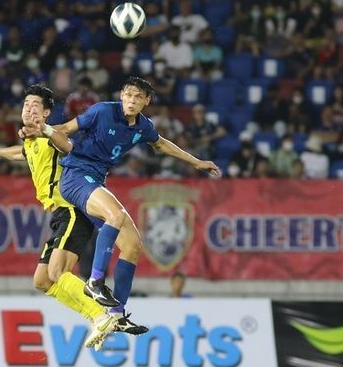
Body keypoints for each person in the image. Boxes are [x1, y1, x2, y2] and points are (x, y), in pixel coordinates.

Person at [22, 76, 220, 321]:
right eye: (128, 95)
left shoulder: (142, 126)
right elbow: (65, 130)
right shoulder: (102, 111)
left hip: (96, 180)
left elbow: (160, 144)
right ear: (121, 96)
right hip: (76, 176)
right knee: (114, 216)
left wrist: (196, 161)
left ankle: (117, 313)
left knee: (133, 245)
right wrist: (42, 130)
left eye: (138, 97)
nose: (131, 100)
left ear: (146, 101)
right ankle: (95, 281)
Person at [0, 85, 146, 350]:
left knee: (56, 271)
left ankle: (100, 315)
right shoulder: (32, 141)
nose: (28, 109)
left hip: (72, 210)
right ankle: (100, 316)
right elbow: (23, 153)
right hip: (58, 215)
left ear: (47, 112)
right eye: (26, 104)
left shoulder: (50, 136)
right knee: (42, 280)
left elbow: (69, 145)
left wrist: (48, 130)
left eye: (35, 106)